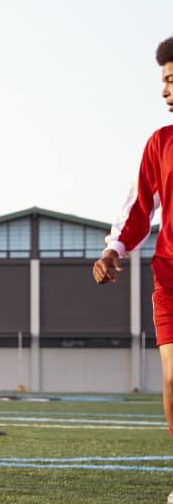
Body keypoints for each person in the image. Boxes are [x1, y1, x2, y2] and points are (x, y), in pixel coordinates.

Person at [93, 36, 173, 438]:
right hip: (170, 278)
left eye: (172, 80)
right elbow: (139, 207)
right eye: (163, 81)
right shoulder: (161, 143)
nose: (164, 91)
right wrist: (113, 249)